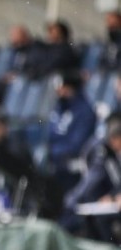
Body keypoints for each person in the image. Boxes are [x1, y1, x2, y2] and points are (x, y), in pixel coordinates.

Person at [47, 71, 97, 199]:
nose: (59, 91)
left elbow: (78, 143)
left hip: (74, 167)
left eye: (62, 87)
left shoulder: (84, 110)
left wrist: (56, 151)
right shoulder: (59, 107)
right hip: (57, 163)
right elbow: (51, 135)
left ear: (70, 87)